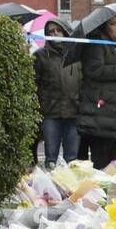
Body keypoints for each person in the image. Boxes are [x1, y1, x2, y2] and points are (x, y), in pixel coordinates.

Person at [77, 13, 116, 170]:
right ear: (105, 26)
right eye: (113, 24)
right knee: (103, 152)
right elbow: (94, 70)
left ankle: (111, 180)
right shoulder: (97, 45)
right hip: (106, 107)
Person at [33, 20, 82, 170]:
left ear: (65, 32)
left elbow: (83, 80)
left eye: (58, 30)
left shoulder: (76, 54)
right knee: (51, 159)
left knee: (72, 159)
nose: (54, 34)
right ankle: (50, 191)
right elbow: (34, 83)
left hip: (74, 113)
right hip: (50, 113)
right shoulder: (40, 55)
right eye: (51, 32)